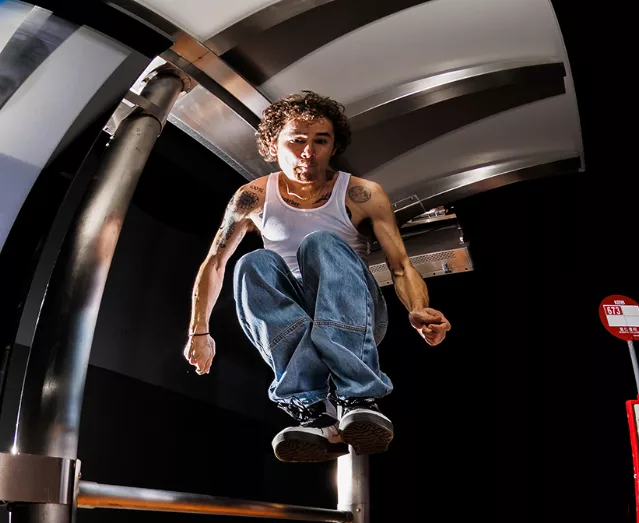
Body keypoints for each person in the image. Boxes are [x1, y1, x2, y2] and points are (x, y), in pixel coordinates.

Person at [184, 90, 451, 462]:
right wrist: (199, 332)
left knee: (321, 244)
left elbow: (401, 265)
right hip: (292, 323)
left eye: (320, 142)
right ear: (272, 145)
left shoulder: (361, 193)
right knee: (251, 263)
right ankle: (309, 411)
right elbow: (214, 264)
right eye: (297, 141)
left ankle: (358, 395)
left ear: (332, 146)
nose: (308, 152)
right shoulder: (253, 196)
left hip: (351, 315)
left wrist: (419, 309)